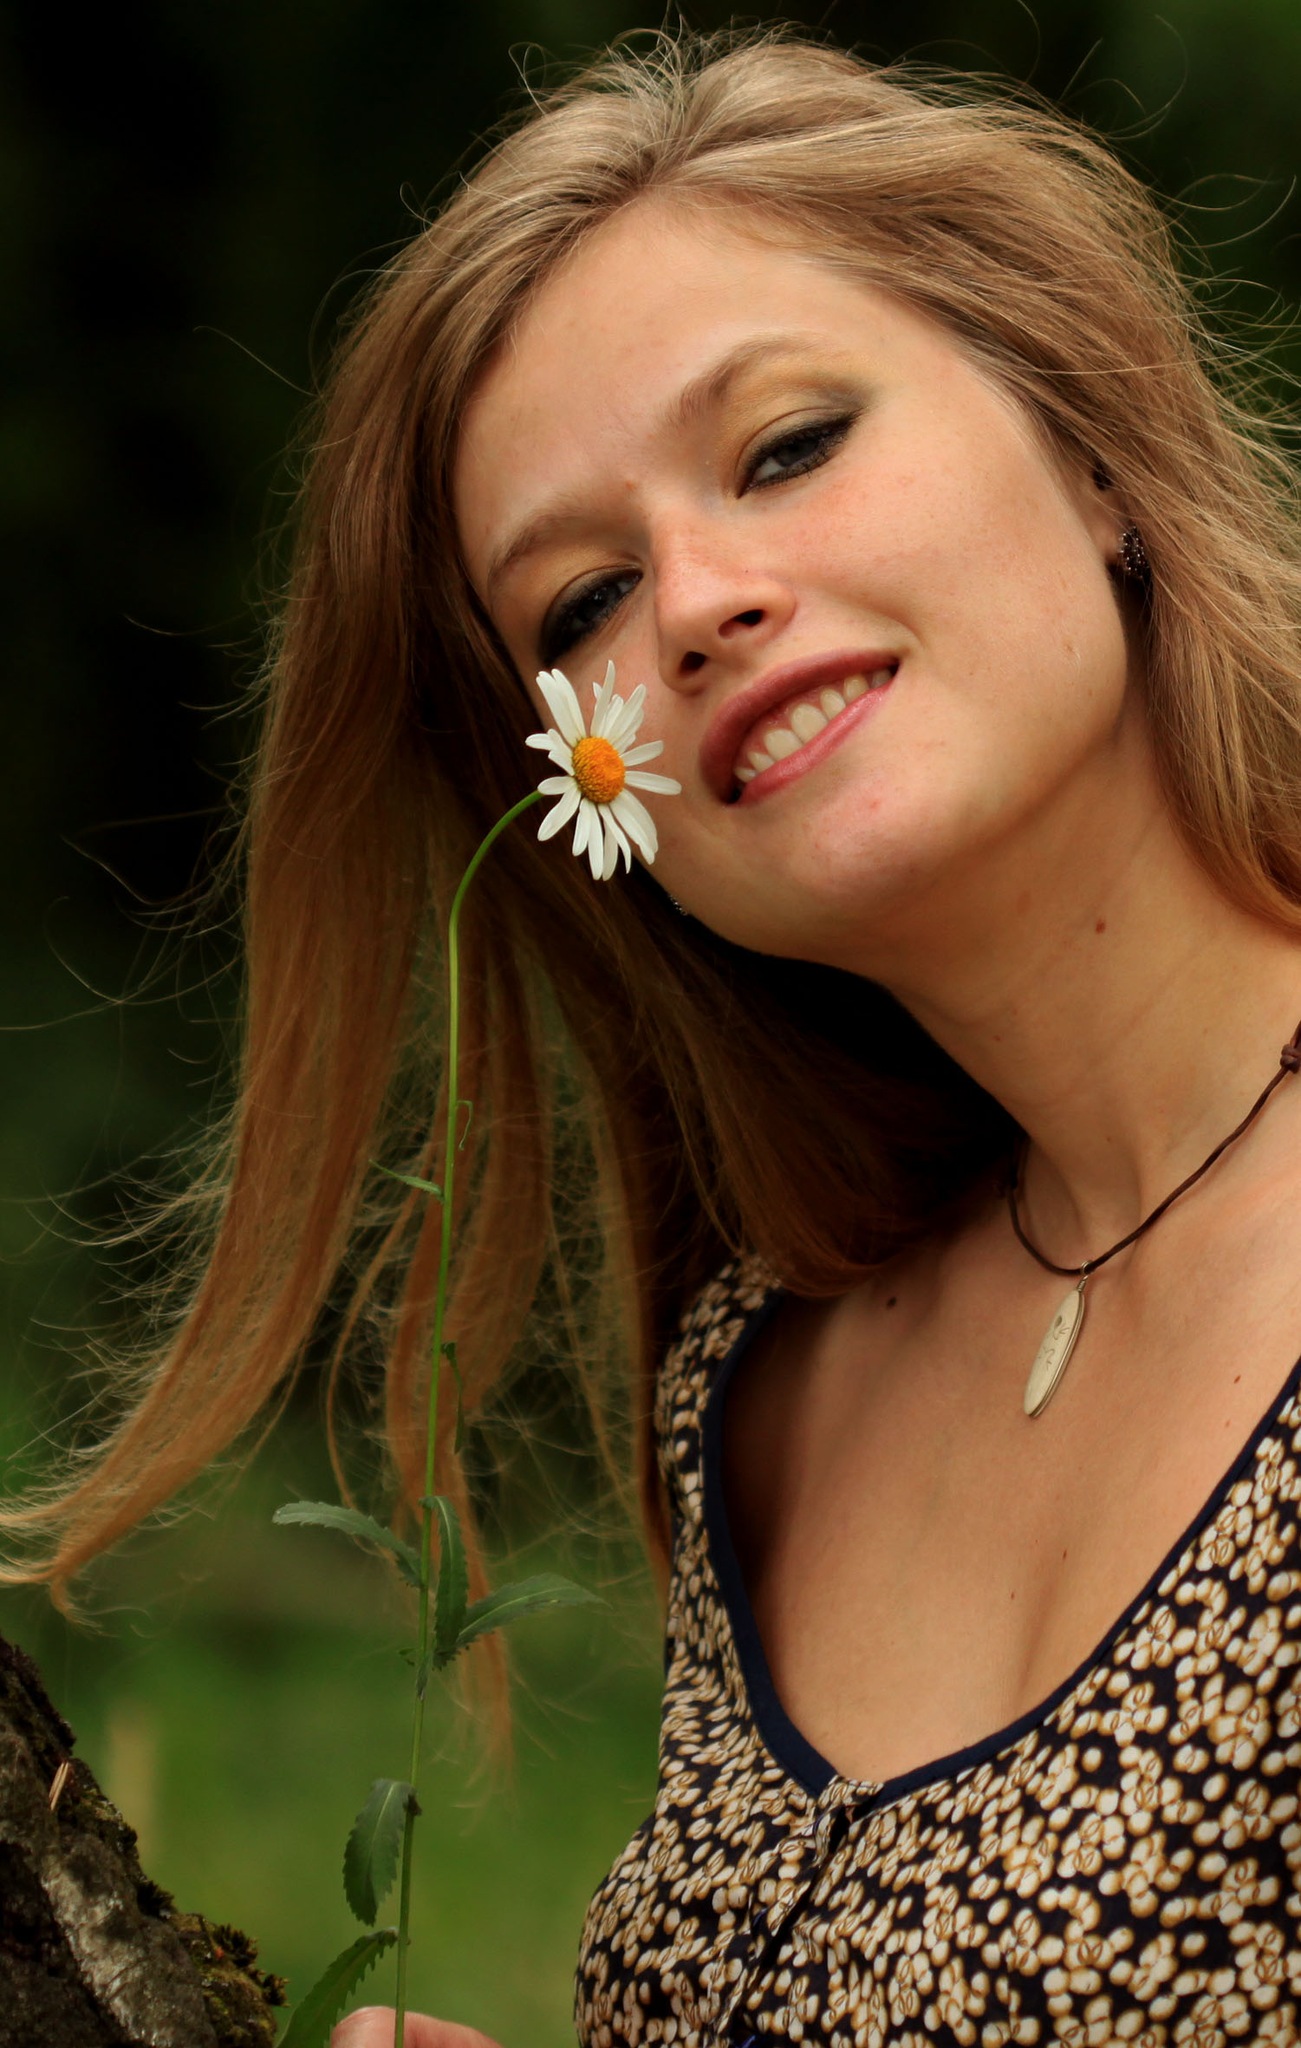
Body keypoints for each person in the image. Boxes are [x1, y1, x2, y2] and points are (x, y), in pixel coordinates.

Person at [13, 25, 1301, 2047]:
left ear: (1095, 446)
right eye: (580, 602)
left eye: (785, 445)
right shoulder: (762, 1393)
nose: (692, 603)